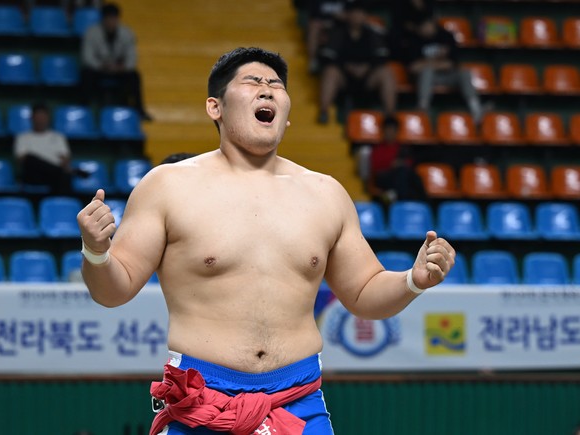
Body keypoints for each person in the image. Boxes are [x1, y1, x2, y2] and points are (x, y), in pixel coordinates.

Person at [77, 47, 455, 434]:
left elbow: (364, 292)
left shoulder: (325, 194)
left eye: (276, 84)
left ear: (287, 117)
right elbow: (112, 292)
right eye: (253, 82)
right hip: (201, 399)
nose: (268, 90)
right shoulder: (167, 186)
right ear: (215, 107)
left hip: (298, 401)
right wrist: (96, 251)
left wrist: (413, 280)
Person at [317, 1, 396, 124]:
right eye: (355, 13)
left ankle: (390, 116)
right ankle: (324, 112)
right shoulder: (338, 32)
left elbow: (382, 56)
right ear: (348, 15)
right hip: (344, 78)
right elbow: (327, 57)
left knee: (386, 72)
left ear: (365, 16)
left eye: (361, 13)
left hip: (368, 77)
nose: (358, 16)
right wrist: (347, 66)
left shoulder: (373, 34)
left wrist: (367, 67)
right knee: (330, 72)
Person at [405, 16, 485, 125]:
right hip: (426, 79)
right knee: (427, 72)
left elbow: (451, 64)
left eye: (425, 26)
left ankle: (475, 109)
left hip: (448, 76)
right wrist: (437, 63)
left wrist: (427, 63)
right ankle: (423, 108)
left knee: (464, 73)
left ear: (432, 24)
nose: (423, 30)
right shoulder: (415, 40)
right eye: (420, 27)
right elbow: (413, 67)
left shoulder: (445, 36)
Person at [80, 2, 152, 121]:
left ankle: (139, 110)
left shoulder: (127, 33)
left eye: (114, 18)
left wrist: (120, 67)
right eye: (108, 18)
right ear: (103, 19)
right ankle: (83, 110)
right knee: (86, 74)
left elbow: (132, 58)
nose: (111, 22)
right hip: (99, 70)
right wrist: (102, 66)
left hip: (119, 70)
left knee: (134, 76)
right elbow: (87, 57)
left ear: (118, 19)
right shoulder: (91, 33)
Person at [14, 103, 88, 194]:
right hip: (33, 176)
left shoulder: (58, 137)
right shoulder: (23, 138)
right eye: (38, 117)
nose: (40, 120)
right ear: (32, 118)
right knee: (30, 159)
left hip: (53, 177)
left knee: (62, 176)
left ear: (48, 118)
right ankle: (73, 172)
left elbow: (65, 159)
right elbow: (23, 160)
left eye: (43, 117)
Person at [363, 115, 426, 203]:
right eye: (388, 129)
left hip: (399, 178)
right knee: (403, 175)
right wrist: (391, 165)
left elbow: (410, 163)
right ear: (383, 131)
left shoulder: (402, 148)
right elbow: (376, 167)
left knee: (408, 175)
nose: (390, 132)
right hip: (384, 179)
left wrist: (400, 164)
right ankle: (404, 202)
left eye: (392, 130)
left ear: (397, 131)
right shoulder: (377, 149)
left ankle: (407, 201)